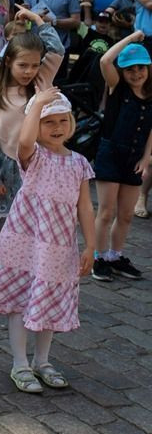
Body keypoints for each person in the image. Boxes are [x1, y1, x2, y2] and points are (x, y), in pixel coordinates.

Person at [0, 89, 96, 394]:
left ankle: (42, 361)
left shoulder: (79, 162)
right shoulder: (35, 156)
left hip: (59, 247)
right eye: (48, 122)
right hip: (27, 242)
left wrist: (92, 244)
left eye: (62, 121)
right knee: (20, 301)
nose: (56, 128)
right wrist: (37, 106)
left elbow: (84, 206)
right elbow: (25, 142)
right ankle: (20, 363)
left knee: (49, 302)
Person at [0, 8, 64, 266]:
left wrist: (37, 20)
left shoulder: (42, 83)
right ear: (8, 63)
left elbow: (57, 48)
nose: (29, 71)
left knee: (36, 222)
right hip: (8, 167)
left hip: (42, 167)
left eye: (35, 65)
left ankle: (27, 270)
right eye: (22, 65)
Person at [90, 35, 151, 282]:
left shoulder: (150, 95)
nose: (136, 73)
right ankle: (99, 257)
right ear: (122, 72)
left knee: (125, 214)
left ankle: (115, 256)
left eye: (141, 68)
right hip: (110, 154)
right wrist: (133, 37)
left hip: (135, 158)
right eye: (130, 69)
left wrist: (146, 158)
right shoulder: (117, 87)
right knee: (106, 211)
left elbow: (150, 130)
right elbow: (105, 60)